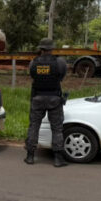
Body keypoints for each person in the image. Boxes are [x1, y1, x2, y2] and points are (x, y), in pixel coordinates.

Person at [24, 38, 67, 167]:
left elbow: (32, 76)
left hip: (37, 98)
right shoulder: (60, 62)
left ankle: (30, 156)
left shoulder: (33, 63)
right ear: (51, 49)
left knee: (34, 126)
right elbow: (61, 77)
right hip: (54, 98)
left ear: (41, 49)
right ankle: (58, 159)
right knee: (57, 129)